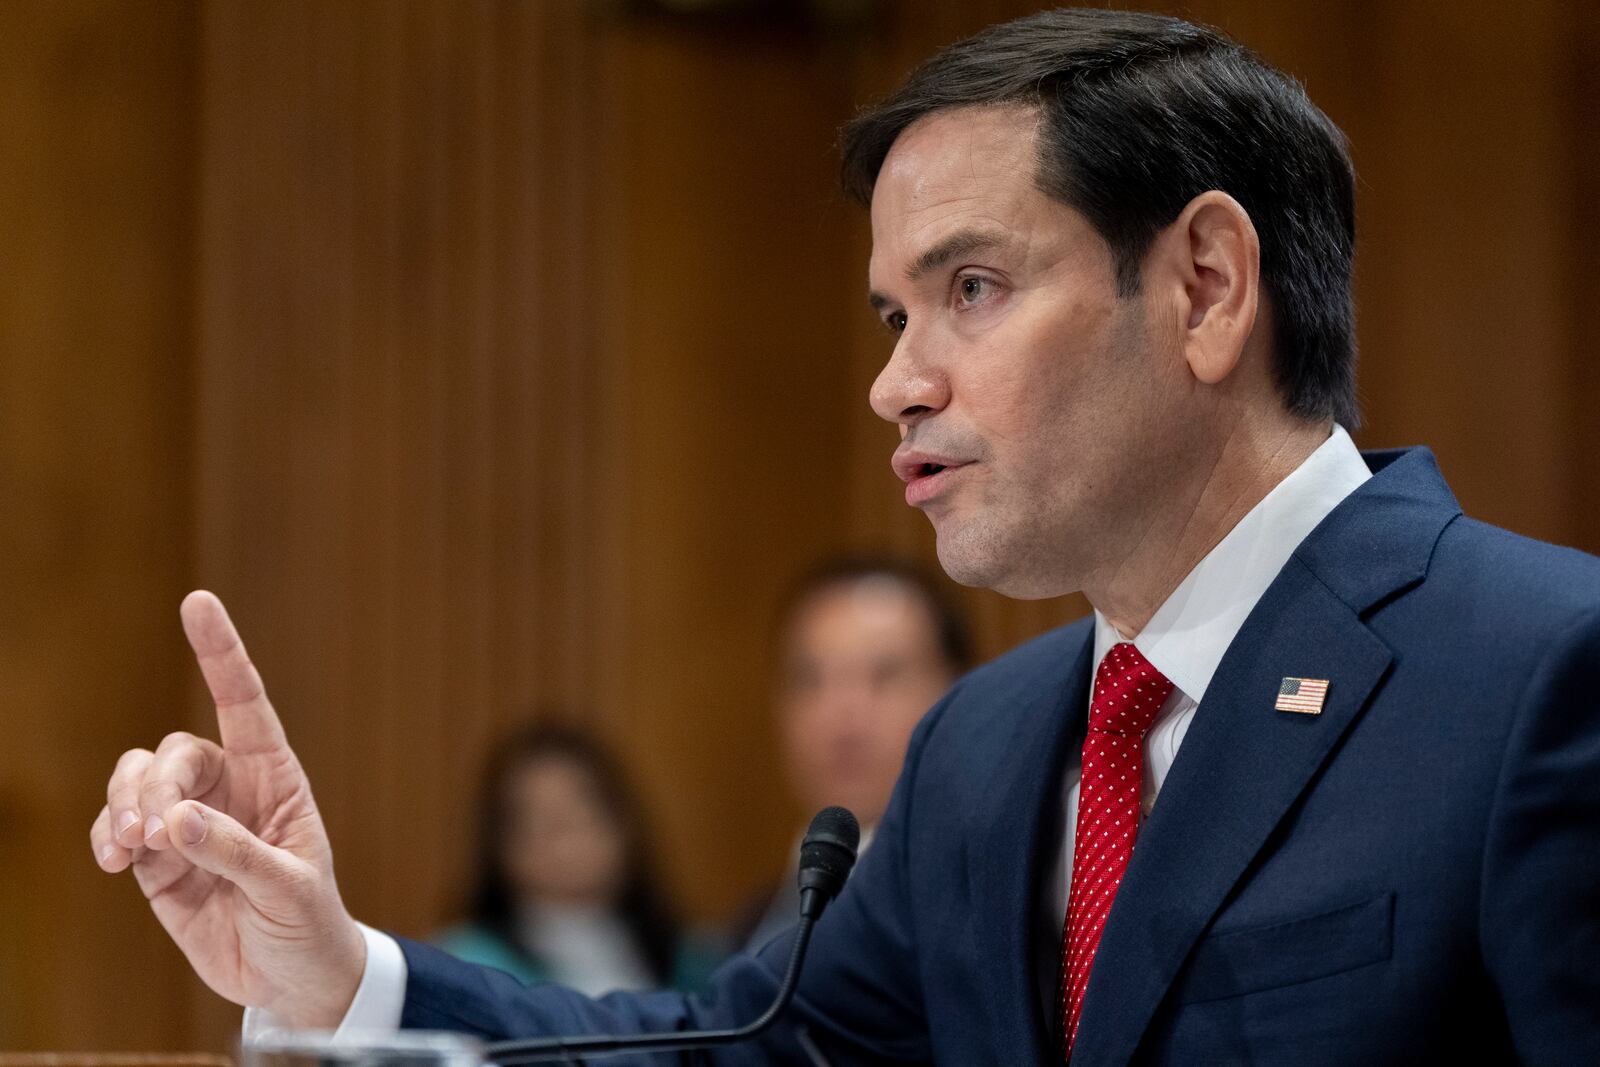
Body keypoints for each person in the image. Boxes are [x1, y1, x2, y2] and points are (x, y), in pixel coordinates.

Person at [91, 9, 1600, 1064]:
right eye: (895, 311)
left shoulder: (1541, 671)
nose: (896, 379)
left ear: (1205, 285)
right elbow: (745, 1050)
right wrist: (342, 973)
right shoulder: (988, 747)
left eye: (973, 289)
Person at [732, 557, 972, 952]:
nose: (842, 720)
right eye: (809, 680)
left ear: (962, 692)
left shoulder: (995, 907)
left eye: (885, 676)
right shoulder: (749, 928)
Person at [433, 723, 717, 996]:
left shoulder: (690, 959)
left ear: (625, 822)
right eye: (540, 823)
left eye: (582, 814)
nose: (565, 843)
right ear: (500, 844)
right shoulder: (468, 966)